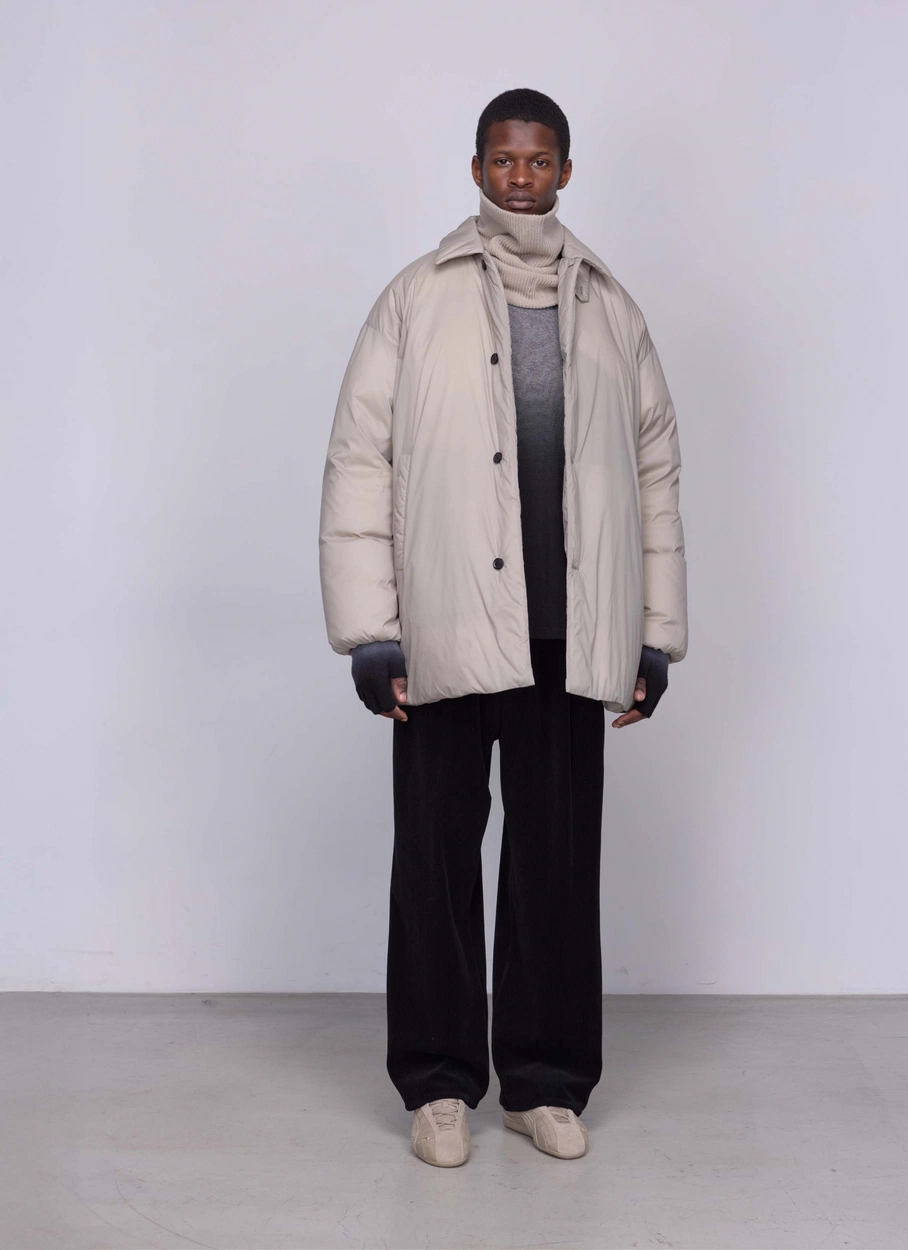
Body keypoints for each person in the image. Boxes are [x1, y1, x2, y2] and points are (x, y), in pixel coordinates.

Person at [319, 88, 687, 1166]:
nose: (520, 177)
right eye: (502, 159)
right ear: (475, 169)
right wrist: (370, 633)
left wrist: (652, 636)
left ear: (564, 170)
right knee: (435, 860)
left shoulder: (612, 309)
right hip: (443, 624)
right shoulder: (415, 297)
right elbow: (359, 461)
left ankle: (544, 1083)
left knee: (555, 865)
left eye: (538, 160)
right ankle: (439, 1085)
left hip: (570, 633)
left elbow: (654, 475)